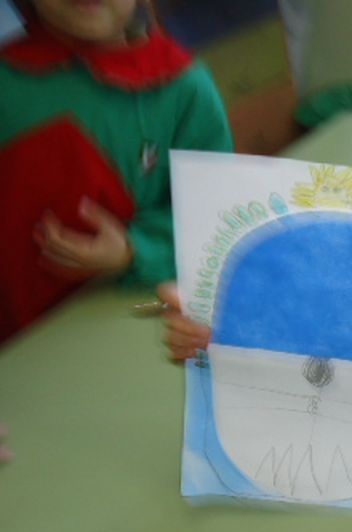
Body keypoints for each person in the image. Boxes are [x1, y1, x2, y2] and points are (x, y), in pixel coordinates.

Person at [0, 0, 233, 343]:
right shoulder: (7, 87)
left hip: (137, 328)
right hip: (20, 343)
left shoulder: (182, 86)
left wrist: (133, 249)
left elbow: (219, 219)